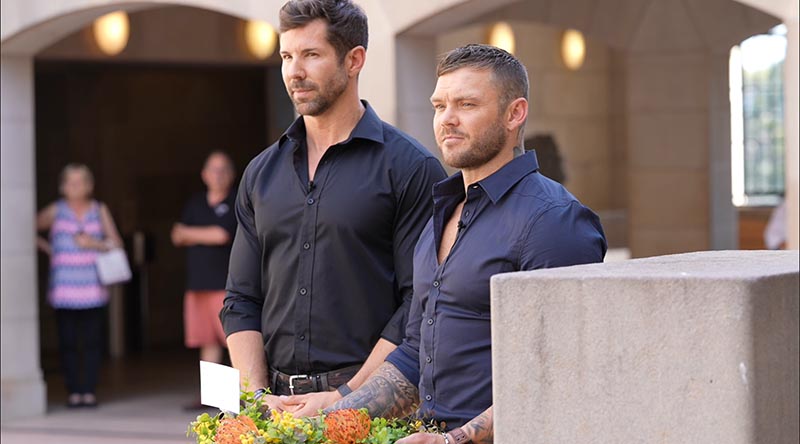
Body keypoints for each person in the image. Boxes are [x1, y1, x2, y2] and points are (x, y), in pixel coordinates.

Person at [328, 44, 608, 443]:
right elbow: (413, 352)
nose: (447, 120)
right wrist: (319, 423)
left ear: (515, 113)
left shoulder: (554, 221)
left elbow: (562, 371)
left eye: (467, 104)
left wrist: (452, 440)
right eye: (439, 106)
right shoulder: (442, 211)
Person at [219, 0, 447, 417]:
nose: (294, 71)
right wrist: (255, 399)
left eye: (311, 55)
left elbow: (418, 303)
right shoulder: (260, 173)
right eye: (287, 56)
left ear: (354, 59)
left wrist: (348, 397)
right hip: (273, 405)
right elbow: (240, 298)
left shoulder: (412, 169)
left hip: (369, 408)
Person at [36, 163, 124, 408]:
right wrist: (51, 250)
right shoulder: (56, 210)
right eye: (71, 182)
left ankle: (89, 390)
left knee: (92, 342)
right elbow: (26, 229)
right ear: (63, 186)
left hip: (93, 289)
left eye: (81, 182)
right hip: (64, 290)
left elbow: (116, 243)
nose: (76, 187)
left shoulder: (99, 209)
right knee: (68, 343)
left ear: (89, 185)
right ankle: (74, 391)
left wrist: (93, 244)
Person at [171, 151, 238, 410]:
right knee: (207, 341)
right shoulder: (196, 203)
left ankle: (242, 397)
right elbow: (176, 236)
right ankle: (215, 398)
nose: (218, 175)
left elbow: (221, 235)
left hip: (225, 284)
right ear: (204, 174)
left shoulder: (235, 201)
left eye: (223, 170)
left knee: (233, 341)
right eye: (213, 169)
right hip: (197, 284)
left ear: (231, 175)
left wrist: (191, 234)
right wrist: (199, 234)